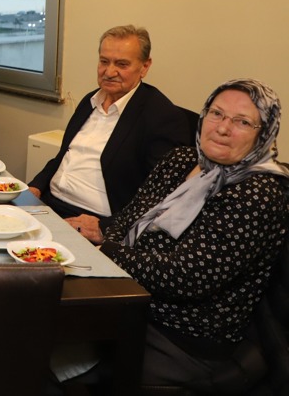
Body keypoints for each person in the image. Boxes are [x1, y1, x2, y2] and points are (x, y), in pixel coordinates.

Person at [66, 79, 289, 391]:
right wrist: (108, 249)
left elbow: (185, 276)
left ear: (263, 134)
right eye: (216, 114)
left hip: (181, 334)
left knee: (59, 364)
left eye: (242, 122)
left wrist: (107, 253)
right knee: (38, 324)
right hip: (127, 297)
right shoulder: (181, 160)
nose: (223, 128)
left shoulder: (258, 194)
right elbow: (127, 220)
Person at [28, 25, 191, 226]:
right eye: (104, 61)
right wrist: (35, 187)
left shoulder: (162, 117)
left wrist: (103, 227)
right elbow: (63, 156)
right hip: (49, 203)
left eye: (122, 64)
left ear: (144, 67)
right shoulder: (90, 101)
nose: (109, 72)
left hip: (92, 220)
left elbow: (160, 199)